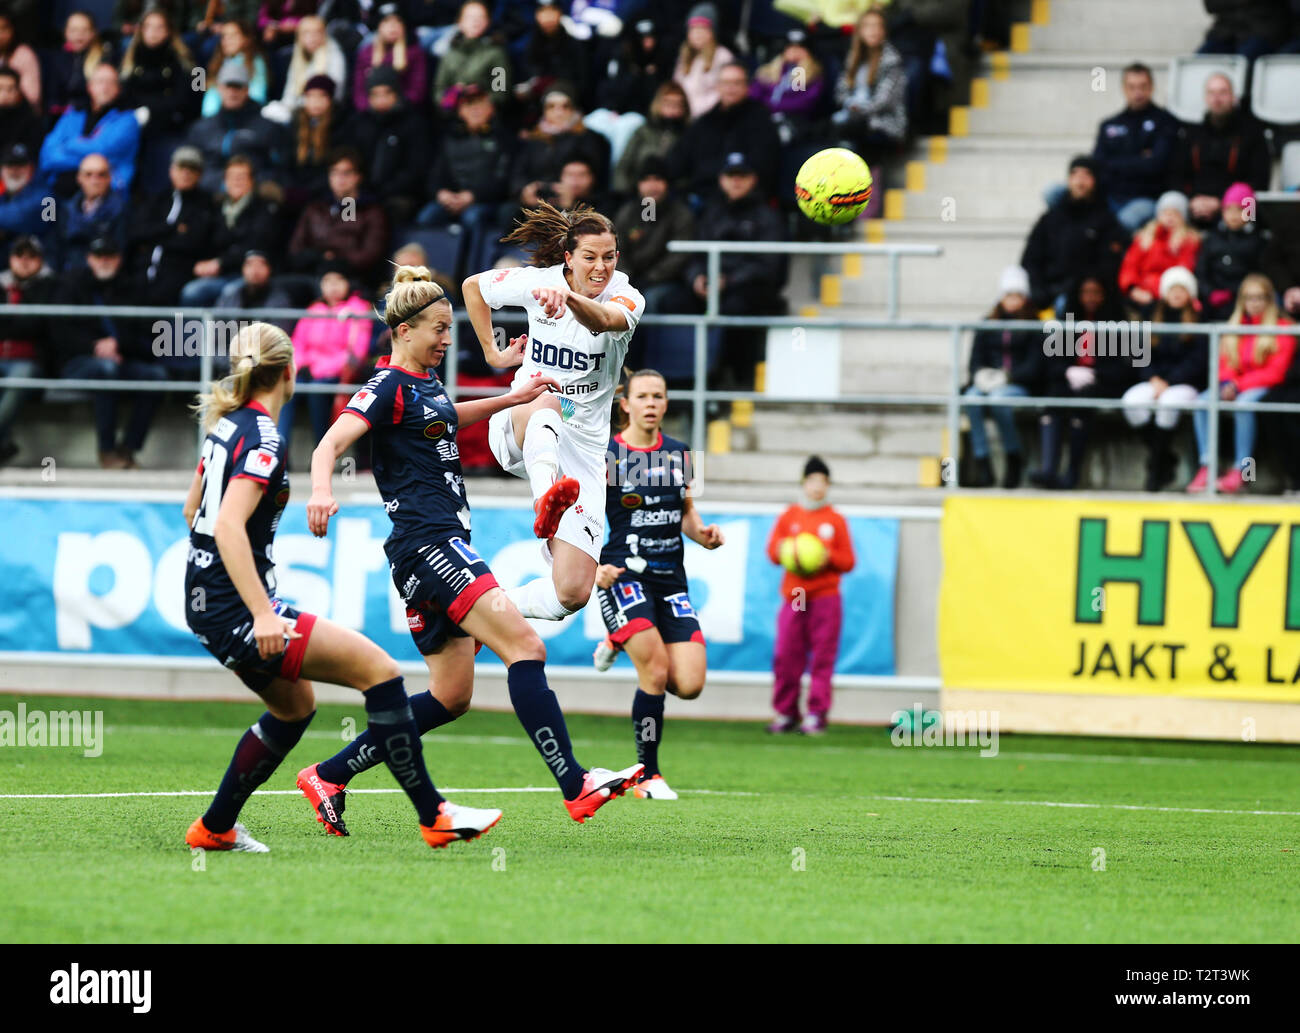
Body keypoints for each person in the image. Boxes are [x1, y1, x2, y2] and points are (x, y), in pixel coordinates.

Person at [296, 267, 643, 831]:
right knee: (526, 648)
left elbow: (451, 418)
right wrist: (319, 490)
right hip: (431, 547)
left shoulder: (425, 387)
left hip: (425, 554)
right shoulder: (386, 386)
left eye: (449, 329)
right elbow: (332, 440)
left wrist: (515, 395)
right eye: (437, 328)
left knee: (451, 696)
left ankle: (329, 775)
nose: (446, 339)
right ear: (403, 330)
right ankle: (575, 783)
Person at [181, 321, 503, 853]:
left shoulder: (224, 427)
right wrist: (261, 612)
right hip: (239, 607)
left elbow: (195, 510)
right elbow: (227, 526)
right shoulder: (263, 437)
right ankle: (435, 815)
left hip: (209, 601)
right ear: (290, 373)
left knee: (295, 708)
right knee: (380, 673)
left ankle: (214, 828)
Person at [462, 201, 645, 622]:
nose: (601, 267)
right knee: (548, 395)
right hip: (521, 424)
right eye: (590, 257)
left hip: (581, 455)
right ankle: (545, 498)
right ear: (568, 257)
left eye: (610, 256)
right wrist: (493, 352)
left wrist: (568, 298)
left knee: (573, 592)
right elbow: (473, 287)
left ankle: (490, 614)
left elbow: (605, 320)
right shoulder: (536, 283)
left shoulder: (627, 296)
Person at [591, 369, 724, 800]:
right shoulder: (605, 454)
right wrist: (593, 568)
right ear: (625, 404)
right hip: (623, 574)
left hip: (671, 580)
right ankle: (647, 774)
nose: (651, 403)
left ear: (667, 404)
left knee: (689, 684)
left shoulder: (682, 454)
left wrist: (702, 533)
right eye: (642, 396)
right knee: (655, 669)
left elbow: (685, 512)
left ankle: (617, 637)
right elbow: (580, 519)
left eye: (659, 396)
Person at [58, 236, 168, 468]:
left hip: (121, 358)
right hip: (79, 362)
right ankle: (106, 451)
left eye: (110, 256)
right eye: (99, 256)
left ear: (119, 259)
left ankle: (127, 448)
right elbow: (60, 332)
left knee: (157, 377)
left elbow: (146, 333)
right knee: (106, 369)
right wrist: (94, 347)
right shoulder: (71, 285)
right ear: (89, 259)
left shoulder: (134, 288)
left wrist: (117, 345)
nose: (104, 261)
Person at [765, 456, 856, 736]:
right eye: (812, 481)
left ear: (828, 486)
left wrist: (827, 556)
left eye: (822, 482)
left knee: (822, 656)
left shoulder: (835, 520)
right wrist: (788, 552)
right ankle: (786, 712)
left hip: (825, 595)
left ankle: (816, 713)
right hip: (797, 595)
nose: (817, 487)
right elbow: (771, 553)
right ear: (804, 483)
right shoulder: (789, 516)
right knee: (787, 653)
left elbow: (848, 561)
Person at [1188, 273, 1296, 494]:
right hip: (1233, 384)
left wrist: (1238, 386)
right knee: (1201, 402)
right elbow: (1224, 363)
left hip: (1262, 386)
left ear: (1269, 300)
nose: (1254, 303)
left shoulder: (1283, 328)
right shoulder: (1233, 327)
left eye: (1259, 298)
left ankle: (1243, 471)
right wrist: (1229, 382)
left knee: (1244, 405)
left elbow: (1276, 372)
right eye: (1249, 297)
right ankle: (1208, 465)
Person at [1028, 274, 1136, 490]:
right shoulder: (1065, 323)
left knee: (1082, 404)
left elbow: (1125, 366)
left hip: (1103, 382)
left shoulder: (1118, 323)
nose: (1091, 298)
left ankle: (1072, 473)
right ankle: (1049, 468)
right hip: (1070, 380)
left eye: (1096, 293)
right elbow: (1050, 363)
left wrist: (1096, 373)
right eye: (1086, 292)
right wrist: (1069, 370)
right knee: (1053, 399)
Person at [1120, 266, 1207, 491]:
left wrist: (1170, 381)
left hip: (1185, 383)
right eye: (1172, 289)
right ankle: (1164, 458)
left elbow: (1198, 360)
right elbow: (1140, 354)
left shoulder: (1198, 320)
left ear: (1190, 293)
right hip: (1155, 381)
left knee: (1168, 404)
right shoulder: (1151, 316)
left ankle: (1155, 472)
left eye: (1182, 289)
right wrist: (1153, 379)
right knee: (1132, 402)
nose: (1177, 294)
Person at [416, 83, 513, 273]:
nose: (475, 109)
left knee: (472, 217)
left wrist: (473, 196)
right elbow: (436, 175)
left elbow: (505, 181)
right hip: (452, 199)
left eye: (480, 104)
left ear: (491, 108)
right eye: (469, 105)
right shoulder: (449, 138)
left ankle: (470, 274)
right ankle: (431, 275)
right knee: (426, 217)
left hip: (487, 201)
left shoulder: (504, 139)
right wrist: (441, 193)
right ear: (460, 111)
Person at [963, 265, 1041, 489]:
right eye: (1008, 295)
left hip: (1017, 384)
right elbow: (976, 359)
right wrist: (981, 376)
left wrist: (1008, 377)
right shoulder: (988, 324)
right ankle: (982, 462)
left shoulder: (1033, 326)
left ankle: (1013, 456)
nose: (1012, 300)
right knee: (972, 398)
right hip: (989, 382)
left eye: (1017, 295)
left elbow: (1034, 367)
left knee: (999, 400)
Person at [277, 260, 370, 448]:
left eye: (339, 280)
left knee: (317, 391)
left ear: (348, 283)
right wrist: (301, 365)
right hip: (309, 370)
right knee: (286, 388)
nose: (333, 286)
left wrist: (318, 369)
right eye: (328, 281)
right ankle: (280, 453)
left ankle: (323, 449)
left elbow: (356, 351)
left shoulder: (359, 309)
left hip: (337, 374)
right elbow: (298, 344)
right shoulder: (313, 310)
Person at [1020, 156, 1127, 313]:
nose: (1080, 181)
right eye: (1075, 175)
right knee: (1013, 300)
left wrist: (1073, 288)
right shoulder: (1050, 218)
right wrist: (1038, 289)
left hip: (1082, 296)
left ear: (1095, 181)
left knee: (1066, 306)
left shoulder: (1106, 221)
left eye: (1086, 175)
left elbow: (1107, 267)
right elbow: (1030, 259)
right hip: (1047, 290)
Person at [668, 62, 780, 201]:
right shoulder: (704, 122)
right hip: (700, 196)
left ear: (747, 87)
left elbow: (764, 166)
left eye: (737, 83)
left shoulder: (761, 120)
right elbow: (678, 160)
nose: (731, 88)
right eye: (726, 83)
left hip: (745, 200)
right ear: (717, 86)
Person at [1170, 73, 1270, 229]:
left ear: (1233, 97)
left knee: (1250, 203)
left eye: (1223, 93)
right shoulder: (1192, 134)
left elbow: (1259, 181)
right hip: (1196, 204)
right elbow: (1175, 175)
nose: (1217, 99)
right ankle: (1169, 251)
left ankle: (1249, 239)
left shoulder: (1252, 133)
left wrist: (1222, 201)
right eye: (1212, 93)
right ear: (1205, 98)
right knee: (1170, 201)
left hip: (1235, 204)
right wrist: (1192, 200)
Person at [181, 156, 284, 305]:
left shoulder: (264, 208)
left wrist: (220, 263)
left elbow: (255, 244)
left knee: (223, 293)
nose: (236, 181)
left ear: (252, 181)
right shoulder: (215, 208)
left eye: (241, 177)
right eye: (231, 177)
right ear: (225, 181)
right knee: (187, 289)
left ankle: (219, 330)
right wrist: (201, 264)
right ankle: (196, 329)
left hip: (249, 274)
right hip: (218, 274)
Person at [1090, 62, 1179, 232]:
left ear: (1152, 87)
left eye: (1143, 86)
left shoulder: (1166, 122)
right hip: (1111, 195)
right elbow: (1098, 164)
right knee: (1056, 195)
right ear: (1124, 89)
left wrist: (1116, 161)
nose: (1137, 92)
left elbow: (1156, 165)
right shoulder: (1109, 124)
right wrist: (1140, 158)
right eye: (1132, 87)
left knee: (1123, 222)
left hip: (1146, 197)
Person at [340, 64, 430, 228]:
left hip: (397, 194)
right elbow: (350, 158)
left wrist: (381, 192)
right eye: (375, 94)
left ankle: (386, 253)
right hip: (362, 191)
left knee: (391, 211)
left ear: (397, 93)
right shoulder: (360, 123)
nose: (381, 100)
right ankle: (343, 249)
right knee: (346, 207)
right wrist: (361, 188)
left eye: (387, 93)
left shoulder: (414, 123)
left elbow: (416, 170)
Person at [287, 147, 389, 286]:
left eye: (346, 173)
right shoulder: (316, 208)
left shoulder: (370, 211)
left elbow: (370, 255)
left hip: (352, 279)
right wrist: (321, 257)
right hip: (313, 275)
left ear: (358, 176)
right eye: (335, 172)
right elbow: (295, 250)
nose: (340, 178)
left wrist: (336, 260)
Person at [129, 145, 215, 306]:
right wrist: (172, 228)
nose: (186, 173)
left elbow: (194, 242)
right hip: (143, 274)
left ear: (200, 175)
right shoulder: (157, 199)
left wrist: (155, 238)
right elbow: (136, 233)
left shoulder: (205, 204)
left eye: (192, 169)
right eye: (182, 167)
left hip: (178, 276)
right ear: (172, 170)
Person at [39, 63, 142, 197]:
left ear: (118, 89)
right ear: (89, 87)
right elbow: (48, 154)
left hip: (106, 192)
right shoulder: (73, 114)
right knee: (46, 210)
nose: (105, 88)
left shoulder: (128, 120)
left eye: (111, 83)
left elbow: (102, 150)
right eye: (100, 82)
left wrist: (70, 144)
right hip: (60, 189)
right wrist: (86, 153)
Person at [186, 60, 287, 193]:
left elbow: (279, 170)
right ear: (219, 89)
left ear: (247, 90)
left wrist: (248, 185)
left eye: (238, 87)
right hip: (208, 196)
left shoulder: (267, 127)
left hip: (252, 195)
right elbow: (190, 166)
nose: (232, 92)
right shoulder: (201, 128)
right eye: (228, 86)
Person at [612, 157, 695, 313]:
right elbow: (616, 248)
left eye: (658, 179)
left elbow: (679, 256)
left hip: (669, 282)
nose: (652, 186)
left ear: (667, 184)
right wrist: (627, 277)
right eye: (646, 180)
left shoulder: (680, 214)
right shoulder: (627, 212)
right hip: (630, 280)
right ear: (638, 184)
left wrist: (650, 278)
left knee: (648, 301)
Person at [0, 235, 56, 466]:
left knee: (21, 377)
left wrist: (10, 324)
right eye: (19, 255)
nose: (24, 261)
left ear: (41, 261)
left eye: (31, 257)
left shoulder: (52, 287)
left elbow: (38, 326)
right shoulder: (2, 285)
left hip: (30, 361)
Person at [830, 8, 907, 164]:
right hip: (853, 117)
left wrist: (858, 110)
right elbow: (840, 93)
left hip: (882, 120)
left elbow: (884, 101)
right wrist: (851, 106)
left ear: (884, 31)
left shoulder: (892, 61)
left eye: (878, 26)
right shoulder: (852, 59)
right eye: (868, 25)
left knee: (853, 129)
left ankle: (864, 181)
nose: (874, 30)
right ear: (860, 31)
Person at [1117, 191, 1200, 318]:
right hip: (1142, 295)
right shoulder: (1144, 238)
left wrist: (1162, 293)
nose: (1170, 218)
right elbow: (1129, 266)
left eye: (1175, 214)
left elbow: (1184, 271)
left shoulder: (1188, 241)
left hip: (1171, 296)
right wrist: (1133, 289)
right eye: (1166, 213)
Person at [1196, 182, 1266, 322]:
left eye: (1239, 210)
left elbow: (1259, 273)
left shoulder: (1258, 241)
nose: (1233, 215)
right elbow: (1202, 270)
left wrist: (1237, 293)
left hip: (1244, 301)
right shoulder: (1213, 238)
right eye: (1228, 210)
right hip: (1212, 301)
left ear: (1250, 212)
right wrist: (1210, 293)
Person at [52, 153, 129, 273]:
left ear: (109, 178)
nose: (95, 181)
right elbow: (58, 248)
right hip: (68, 276)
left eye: (101, 175)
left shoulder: (121, 210)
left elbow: (121, 251)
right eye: (88, 175)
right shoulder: (67, 209)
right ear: (79, 178)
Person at [613, 80, 688, 198]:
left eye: (677, 104)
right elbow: (623, 166)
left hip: (672, 197)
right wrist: (624, 193)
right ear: (658, 104)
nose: (672, 109)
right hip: (636, 194)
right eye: (668, 103)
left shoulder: (688, 135)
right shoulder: (642, 131)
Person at [431, 0, 505, 109]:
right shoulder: (450, 54)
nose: (476, 21)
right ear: (459, 22)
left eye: (481, 17)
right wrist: (455, 94)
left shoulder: (496, 53)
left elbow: (501, 93)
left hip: (485, 113)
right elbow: (438, 92)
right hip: (453, 116)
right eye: (470, 17)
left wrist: (478, 94)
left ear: (488, 22)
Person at [353, 4, 427, 112]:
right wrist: (371, 107)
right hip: (371, 113)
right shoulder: (366, 53)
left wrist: (395, 106)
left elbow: (417, 91)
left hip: (403, 112)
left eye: (398, 21)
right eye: (387, 21)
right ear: (379, 26)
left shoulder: (414, 53)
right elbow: (358, 91)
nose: (393, 26)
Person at [45, 11, 114, 118]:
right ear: (65, 32)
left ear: (93, 33)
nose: (79, 35)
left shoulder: (104, 58)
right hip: (62, 117)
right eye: (73, 30)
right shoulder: (58, 58)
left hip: (93, 116)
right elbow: (52, 96)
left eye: (85, 30)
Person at [673, 3, 733, 119]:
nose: (698, 34)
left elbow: (723, 92)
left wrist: (697, 112)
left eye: (703, 29)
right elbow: (676, 86)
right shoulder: (684, 56)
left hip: (709, 117)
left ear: (713, 32)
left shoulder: (723, 56)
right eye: (693, 29)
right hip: (683, 116)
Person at [200, 19, 269, 117]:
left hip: (247, 119)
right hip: (218, 121)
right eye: (224, 36)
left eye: (233, 36)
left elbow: (258, 97)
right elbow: (210, 102)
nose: (227, 40)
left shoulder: (255, 62)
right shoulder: (217, 63)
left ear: (246, 39)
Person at [278, 15, 346, 107]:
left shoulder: (334, 54)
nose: (312, 37)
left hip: (325, 108)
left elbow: (335, 94)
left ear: (324, 35)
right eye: (306, 33)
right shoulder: (298, 55)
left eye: (317, 32)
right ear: (299, 36)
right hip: (300, 107)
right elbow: (290, 90)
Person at [0, 143, 48, 252]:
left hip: (43, 261)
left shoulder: (47, 197)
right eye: (10, 165)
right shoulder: (3, 197)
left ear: (31, 169)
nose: (15, 171)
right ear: (1, 170)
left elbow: (22, 216)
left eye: (20, 166)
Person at [0, 12, 41, 110]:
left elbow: (32, 96)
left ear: (13, 30)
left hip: (17, 115)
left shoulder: (24, 55)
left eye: (4, 29)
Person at [0, 67, 42, 158]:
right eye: (0, 88)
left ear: (18, 91)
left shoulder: (29, 118)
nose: (5, 94)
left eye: (10, 89)